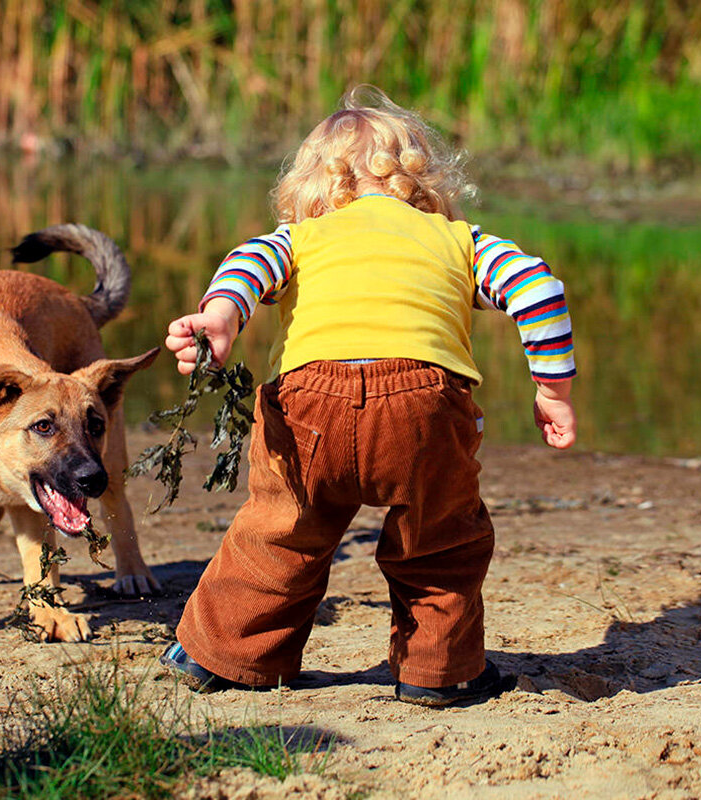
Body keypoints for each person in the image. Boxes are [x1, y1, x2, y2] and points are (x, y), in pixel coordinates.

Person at [158, 86, 577, 707]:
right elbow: (538, 292)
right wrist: (553, 390)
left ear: (313, 189)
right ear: (421, 180)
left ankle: (224, 656)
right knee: (440, 540)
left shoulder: (302, 236)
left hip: (309, 404)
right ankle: (439, 670)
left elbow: (249, 266)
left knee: (281, 531)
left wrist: (221, 318)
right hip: (424, 406)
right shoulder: (460, 240)